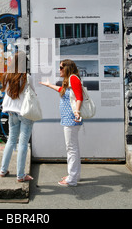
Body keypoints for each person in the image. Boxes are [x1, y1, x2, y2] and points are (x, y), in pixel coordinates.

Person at [40, 59, 83, 187]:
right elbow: (62, 91)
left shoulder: (73, 79)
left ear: (67, 68)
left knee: (71, 148)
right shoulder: (70, 80)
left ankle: (72, 179)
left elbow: (79, 96)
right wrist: (49, 85)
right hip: (68, 118)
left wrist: (77, 112)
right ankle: (74, 175)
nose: (59, 70)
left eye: (60, 68)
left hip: (71, 118)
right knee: (73, 147)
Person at [0, 52, 34, 182]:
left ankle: (3, 170)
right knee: (23, 143)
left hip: (11, 112)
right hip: (24, 112)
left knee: (11, 140)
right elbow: (33, 93)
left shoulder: (8, 76)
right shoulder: (27, 77)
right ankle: (20, 175)